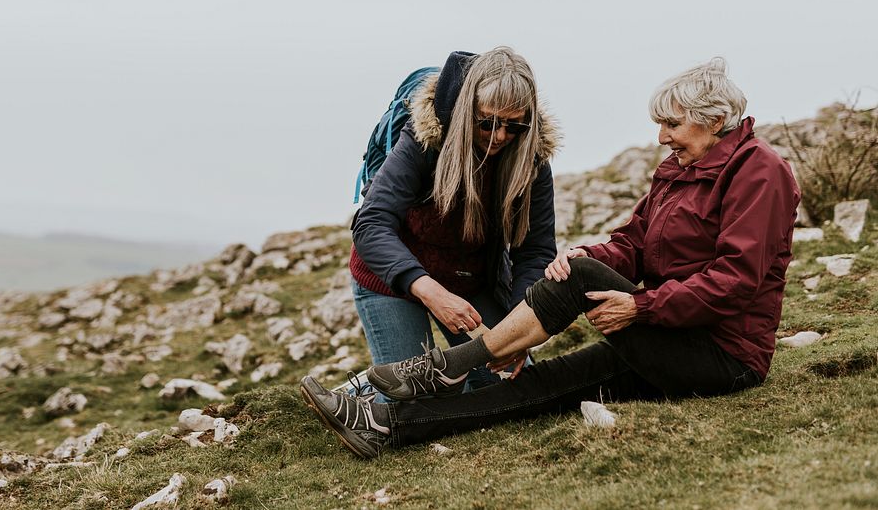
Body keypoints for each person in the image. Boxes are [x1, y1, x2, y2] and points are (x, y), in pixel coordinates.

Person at [302, 58, 801, 457]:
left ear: (714, 120)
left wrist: (640, 308)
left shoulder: (760, 172)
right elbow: (633, 245)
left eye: (671, 124)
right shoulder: (679, 170)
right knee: (541, 386)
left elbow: (737, 279)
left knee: (562, 301)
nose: (661, 138)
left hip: (723, 356)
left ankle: (450, 365)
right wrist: (584, 256)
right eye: (660, 125)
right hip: (669, 339)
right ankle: (381, 424)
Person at [349, 47, 559, 397]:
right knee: (416, 398)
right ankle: (362, 393)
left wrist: (521, 325)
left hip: (470, 281)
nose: (500, 137)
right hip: (392, 281)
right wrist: (429, 290)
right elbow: (371, 223)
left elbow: (535, 251)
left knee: (512, 389)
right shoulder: (424, 141)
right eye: (487, 122)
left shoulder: (531, 160)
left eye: (515, 125)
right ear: (466, 111)